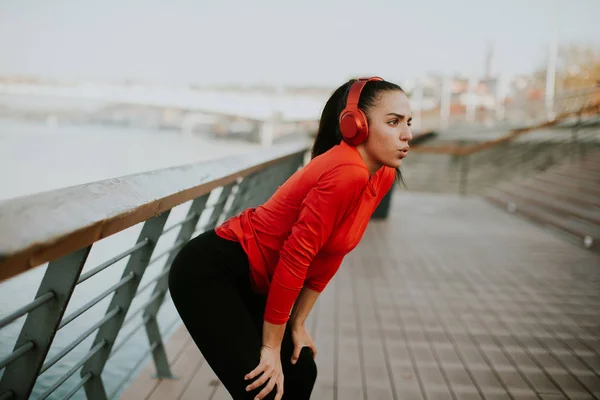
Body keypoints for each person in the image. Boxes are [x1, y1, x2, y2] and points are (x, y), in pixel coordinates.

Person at [168, 76, 412, 400]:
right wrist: (270, 347)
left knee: (300, 372)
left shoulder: (382, 174)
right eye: (393, 122)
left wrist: (297, 324)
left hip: (252, 278)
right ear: (357, 125)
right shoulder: (345, 173)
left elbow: (331, 254)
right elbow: (296, 257)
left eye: (408, 122)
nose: (407, 134)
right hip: (210, 272)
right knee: (264, 390)